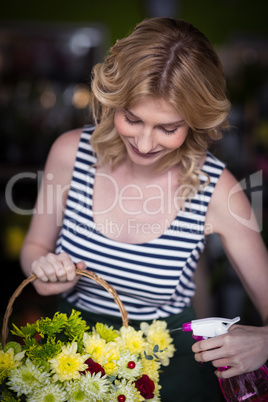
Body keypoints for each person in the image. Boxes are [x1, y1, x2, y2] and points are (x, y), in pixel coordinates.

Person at [20, 17, 268, 401]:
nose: (145, 143)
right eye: (132, 119)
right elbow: (34, 249)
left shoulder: (218, 190)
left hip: (171, 376)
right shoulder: (70, 153)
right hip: (72, 366)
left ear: (196, 122)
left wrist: (266, 341)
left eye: (167, 128)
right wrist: (47, 272)